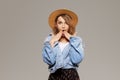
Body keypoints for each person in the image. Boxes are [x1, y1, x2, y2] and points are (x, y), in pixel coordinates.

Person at [42, 9, 84, 80]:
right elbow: (50, 61)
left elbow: (76, 60)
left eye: (66, 23)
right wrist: (52, 42)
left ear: (70, 25)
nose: (63, 26)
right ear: (56, 24)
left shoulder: (76, 40)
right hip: (55, 75)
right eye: (60, 23)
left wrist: (72, 40)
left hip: (71, 75)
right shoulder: (49, 40)